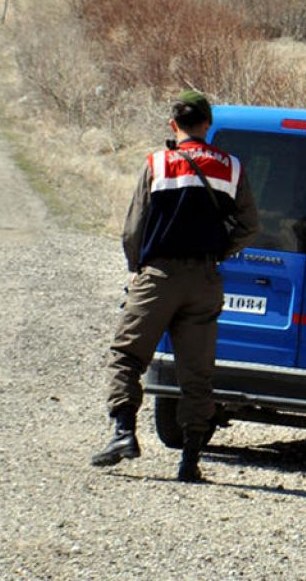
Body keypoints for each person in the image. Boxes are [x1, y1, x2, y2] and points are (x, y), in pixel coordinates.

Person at [91, 90, 259, 482]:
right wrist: (218, 253)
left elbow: (133, 227)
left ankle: (123, 434)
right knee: (196, 373)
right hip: (204, 280)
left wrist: (139, 268)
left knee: (128, 356)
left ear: (173, 125)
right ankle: (191, 458)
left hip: (159, 275)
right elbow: (250, 226)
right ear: (207, 124)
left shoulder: (158, 163)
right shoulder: (231, 167)